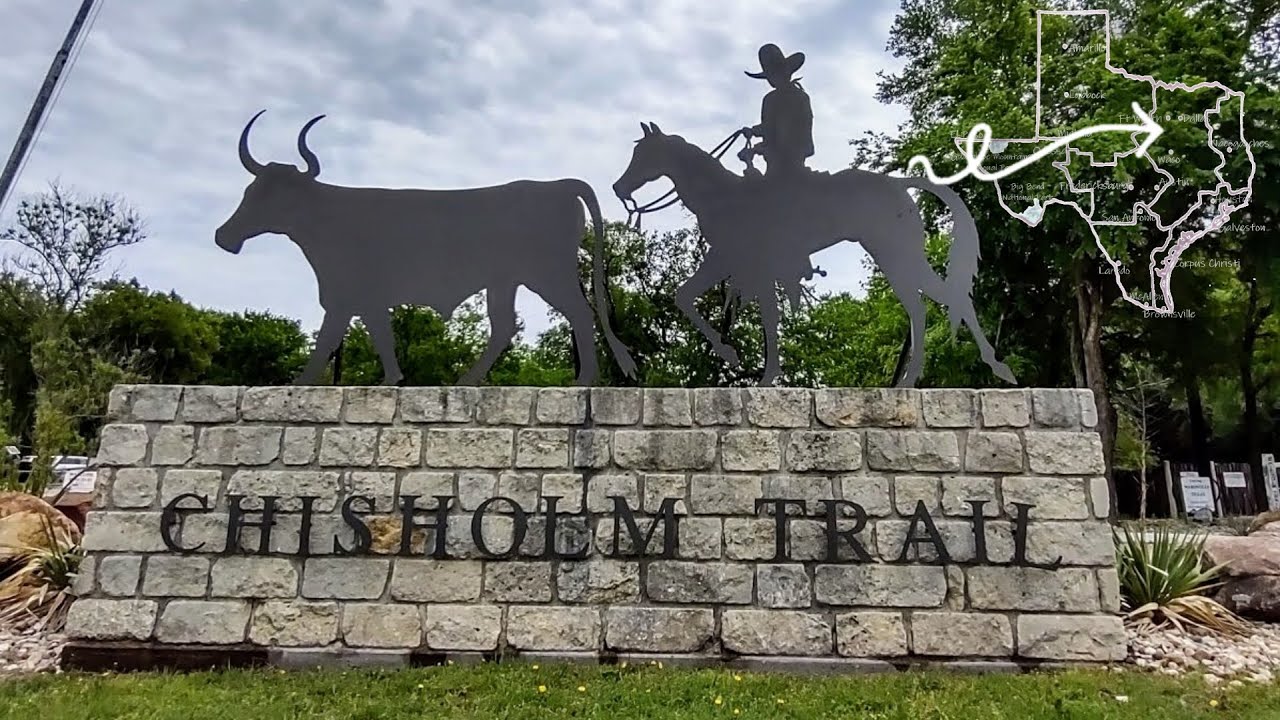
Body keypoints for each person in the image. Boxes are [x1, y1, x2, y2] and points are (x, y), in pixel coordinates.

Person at [738, 44, 815, 179]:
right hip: (778, 159)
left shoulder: (778, 99)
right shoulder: (774, 99)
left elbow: (783, 129)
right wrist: (754, 132)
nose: (771, 79)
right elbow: (772, 127)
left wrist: (758, 146)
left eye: (773, 74)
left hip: (789, 161)